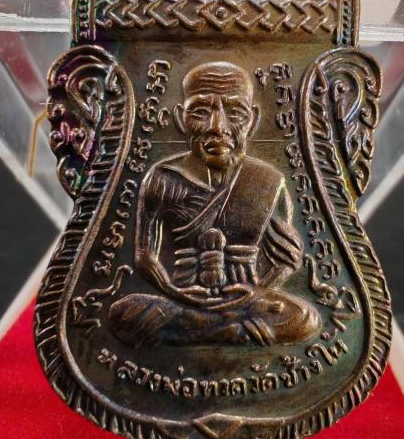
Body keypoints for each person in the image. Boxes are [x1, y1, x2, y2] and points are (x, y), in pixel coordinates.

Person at [109, 61, 320, 346]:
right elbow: (145, 257)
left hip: (246, 301)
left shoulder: (268, 180)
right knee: (123, 312)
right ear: (181, 118)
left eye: (235, 113)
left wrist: (257, 292)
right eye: (200, 112)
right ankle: (227, 331)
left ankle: (201, 330)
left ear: (253, 120)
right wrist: (176, 292)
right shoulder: (162, 178)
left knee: (305, 318)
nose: (217, 127)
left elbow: (286, 259)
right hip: (184, 296)